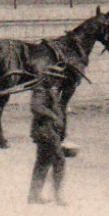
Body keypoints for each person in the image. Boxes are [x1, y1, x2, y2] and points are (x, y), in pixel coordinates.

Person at [27, 64, 69, 206]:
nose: (58, 81)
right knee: (59, 161)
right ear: (48, 77)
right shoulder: (41, 90)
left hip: (48, 131)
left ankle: (34, 196)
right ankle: (57, 196)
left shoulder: (49, 89)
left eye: (59, 79)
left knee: (43, 163)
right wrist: (54, 116)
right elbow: (36, 106)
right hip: (45, 132)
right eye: (56, 78)